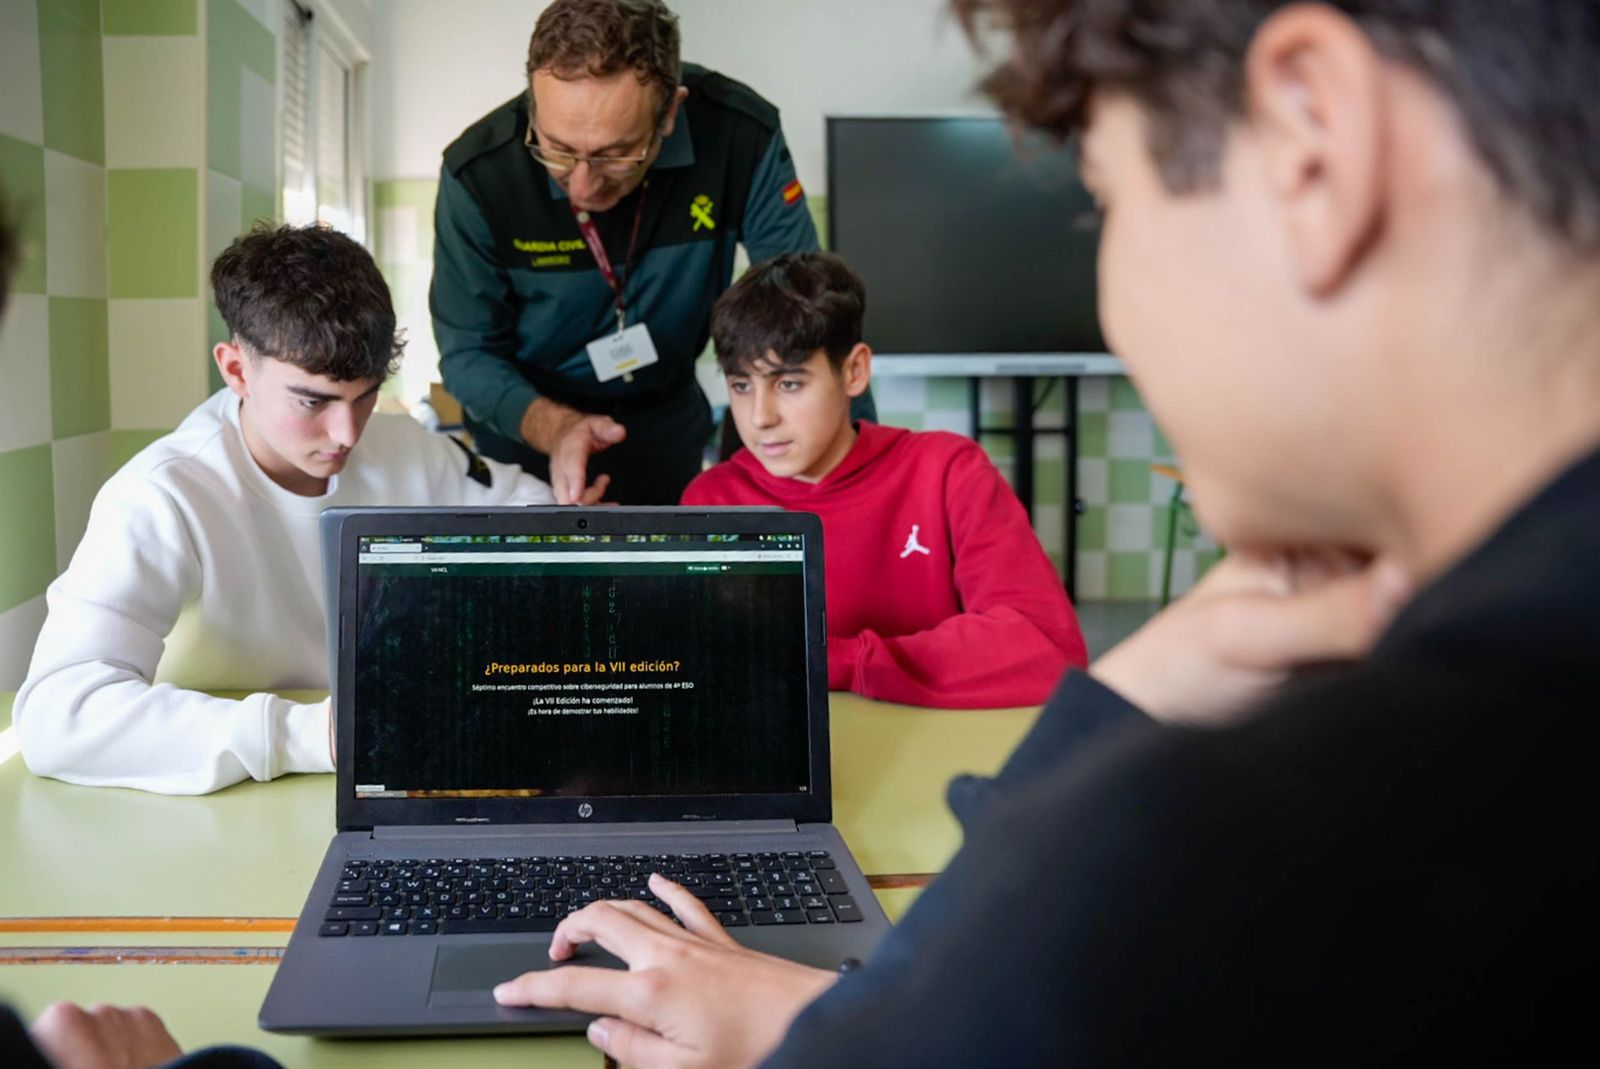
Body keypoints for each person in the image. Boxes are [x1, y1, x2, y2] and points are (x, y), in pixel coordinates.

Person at [490, 0, 1599, 1064]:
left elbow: (995, 1015)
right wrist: (1125, 706)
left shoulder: (1318, 827)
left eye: (1108, 201)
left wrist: (845, 1031)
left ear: (1312, 139)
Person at [14, 224, 564, 796]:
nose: (347, 433)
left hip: (400, 772)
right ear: (235, 370)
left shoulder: (406, 445)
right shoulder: (162, 494)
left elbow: (535, 509)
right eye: (313, 401)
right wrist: (319, 734)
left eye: (366, 394)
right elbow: (59, 716)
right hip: (227, 802)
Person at [431, 0, 873, 507]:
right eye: (556, 149)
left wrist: (860, 479)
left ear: (669, 113)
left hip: (666, 422)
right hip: (528, 429)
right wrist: (555, 428)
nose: (582, 182)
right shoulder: (478, 174)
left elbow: (807, 309)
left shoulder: (739, 136)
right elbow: (468, 352)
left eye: (616, 154)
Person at [682, 251, 1087, 706]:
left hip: (935, 748)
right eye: (741, 386)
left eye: (789, 384)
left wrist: (841, 661)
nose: (759, 417)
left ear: (854, 371)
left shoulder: (948, 472)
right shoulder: (712, 499)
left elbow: (1048, 648)